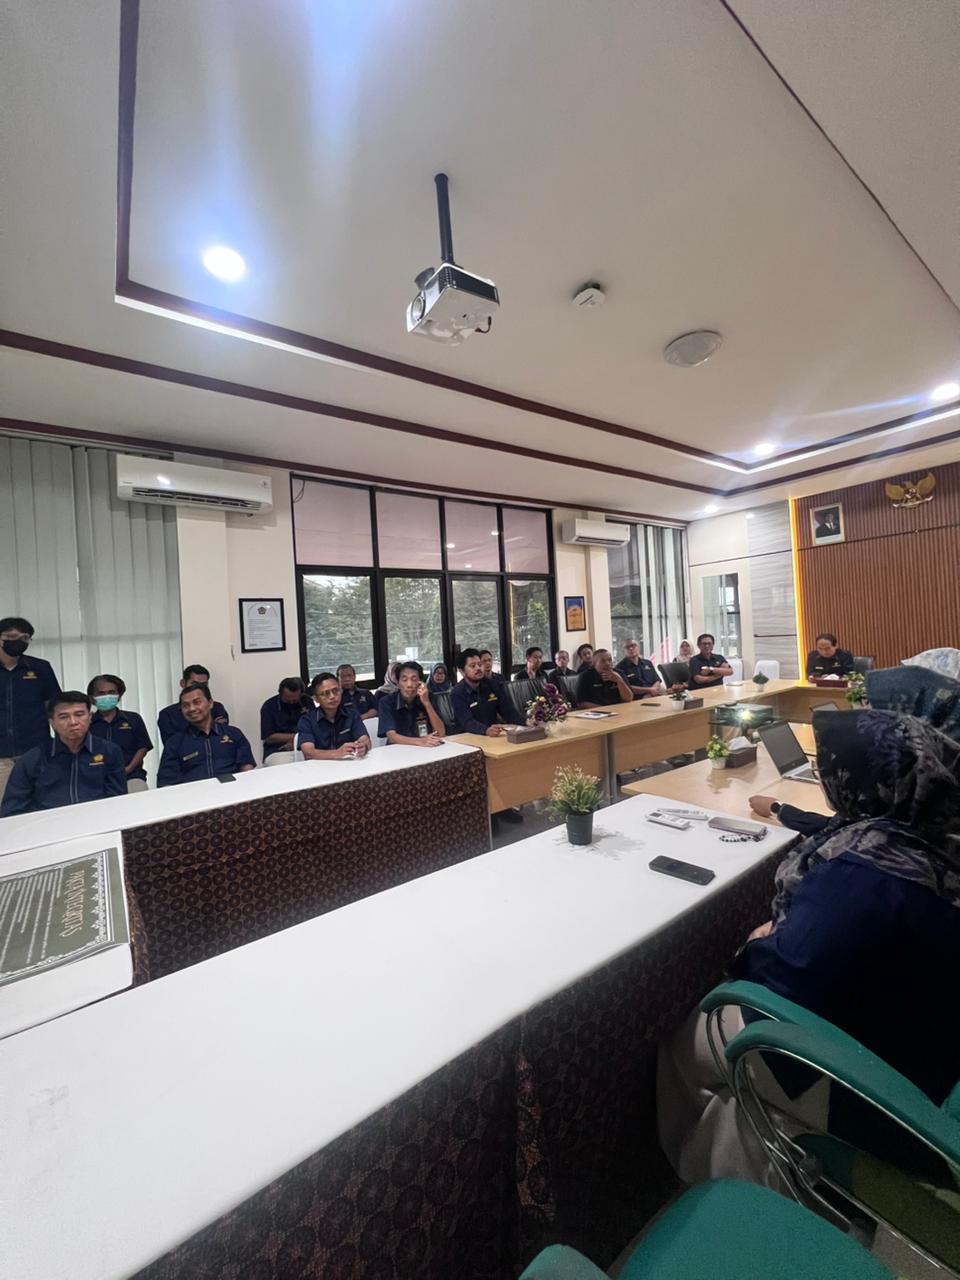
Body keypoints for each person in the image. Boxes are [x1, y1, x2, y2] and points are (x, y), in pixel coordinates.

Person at [659, 710, 960, 1187]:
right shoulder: (928, 838)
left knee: (686, 1043)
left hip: (866, 1078)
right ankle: (739, 1148)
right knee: (740, 1096)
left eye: (829, 768)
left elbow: (783, 978)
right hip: (919, 1052)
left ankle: (690, 1177)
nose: (823, 777)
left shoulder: (860, 875)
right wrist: (781, 811)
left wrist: (756, 943)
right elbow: (834, 827)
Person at [1, 691, 127, 816]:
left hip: (98, 820)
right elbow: (12, 810)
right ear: (52, 723)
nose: (73, 722)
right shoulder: (32, 759)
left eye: (79, 714)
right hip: (48, 824)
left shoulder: (109, 751)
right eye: (64, 717)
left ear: (90, 717)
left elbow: (117, 800)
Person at [451, 649, 524, 824]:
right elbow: (467, 722)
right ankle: (488, 815)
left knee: (505, 767)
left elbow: (508, 711)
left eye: (479, 664)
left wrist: (527, 722)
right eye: (472, 666)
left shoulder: (493, 685)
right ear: (462, 671)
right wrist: (485, 730)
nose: (478, 668)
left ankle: (503, 807)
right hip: (468, 741)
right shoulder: (457, 693)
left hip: (492, 738)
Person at [0, 616, 61, 803]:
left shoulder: (40, 668)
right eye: (11, 636)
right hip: (1, 757)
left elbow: (55, 707)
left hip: (37, 751)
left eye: (24, 638)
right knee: (7, 808)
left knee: (44, 804)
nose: (18, 641)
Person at [157, 685, 255, 786]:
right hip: (193, 793)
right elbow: (166, 783)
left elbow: (247, 772)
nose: (192, 708)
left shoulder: (234, 734)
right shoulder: (175, 743)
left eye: (197, 702)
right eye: (185, 705)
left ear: (210, 703)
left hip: (232, 790)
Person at [87, 674, 153, 792]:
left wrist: (128, 768)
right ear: (92, 698)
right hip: (96, 777)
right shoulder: (87, 723)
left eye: (111, 692)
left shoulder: (133, 718)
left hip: (131, 776)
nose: (107, 696)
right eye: (101, 693)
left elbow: (142, 747)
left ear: (119, 695)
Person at [296, 672, 371, 760]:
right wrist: (337, 753)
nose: (332, 696)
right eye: (326, 693)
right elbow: (308, 753)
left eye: (335, 691)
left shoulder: (352, 714)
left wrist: (363, 747)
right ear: (316, 698)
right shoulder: (307, 721)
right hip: (320, 766)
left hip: (349, 763)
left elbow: (365, 740)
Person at [377, 661, 445, 747]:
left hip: (425, 749)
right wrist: (420, 741)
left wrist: (427, 703)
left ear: (420, 683)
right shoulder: (386, 702)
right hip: (398, 749)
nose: (409, 685)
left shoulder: (429, 697)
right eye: (404, 680)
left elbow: (441, 732)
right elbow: (392, 737)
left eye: (414, 679)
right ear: (397, 683)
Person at [158, 665, 229, 743]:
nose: (199, 688)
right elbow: (173, 745)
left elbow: (223, 738)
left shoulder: (216, 708)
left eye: (204, 684)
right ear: (183, 683)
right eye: (194, 684)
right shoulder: (168, 715)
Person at [259, 677, 310, 761]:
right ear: (280, 693)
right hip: (279, 750)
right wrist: (297, 739)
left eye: (295, 700)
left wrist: (298, 742)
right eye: (287, 699)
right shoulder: (269, 706)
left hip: (306, 747)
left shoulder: (307, 701)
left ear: (301, 695)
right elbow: (269, 737)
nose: (291, 702)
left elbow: (315, 728)